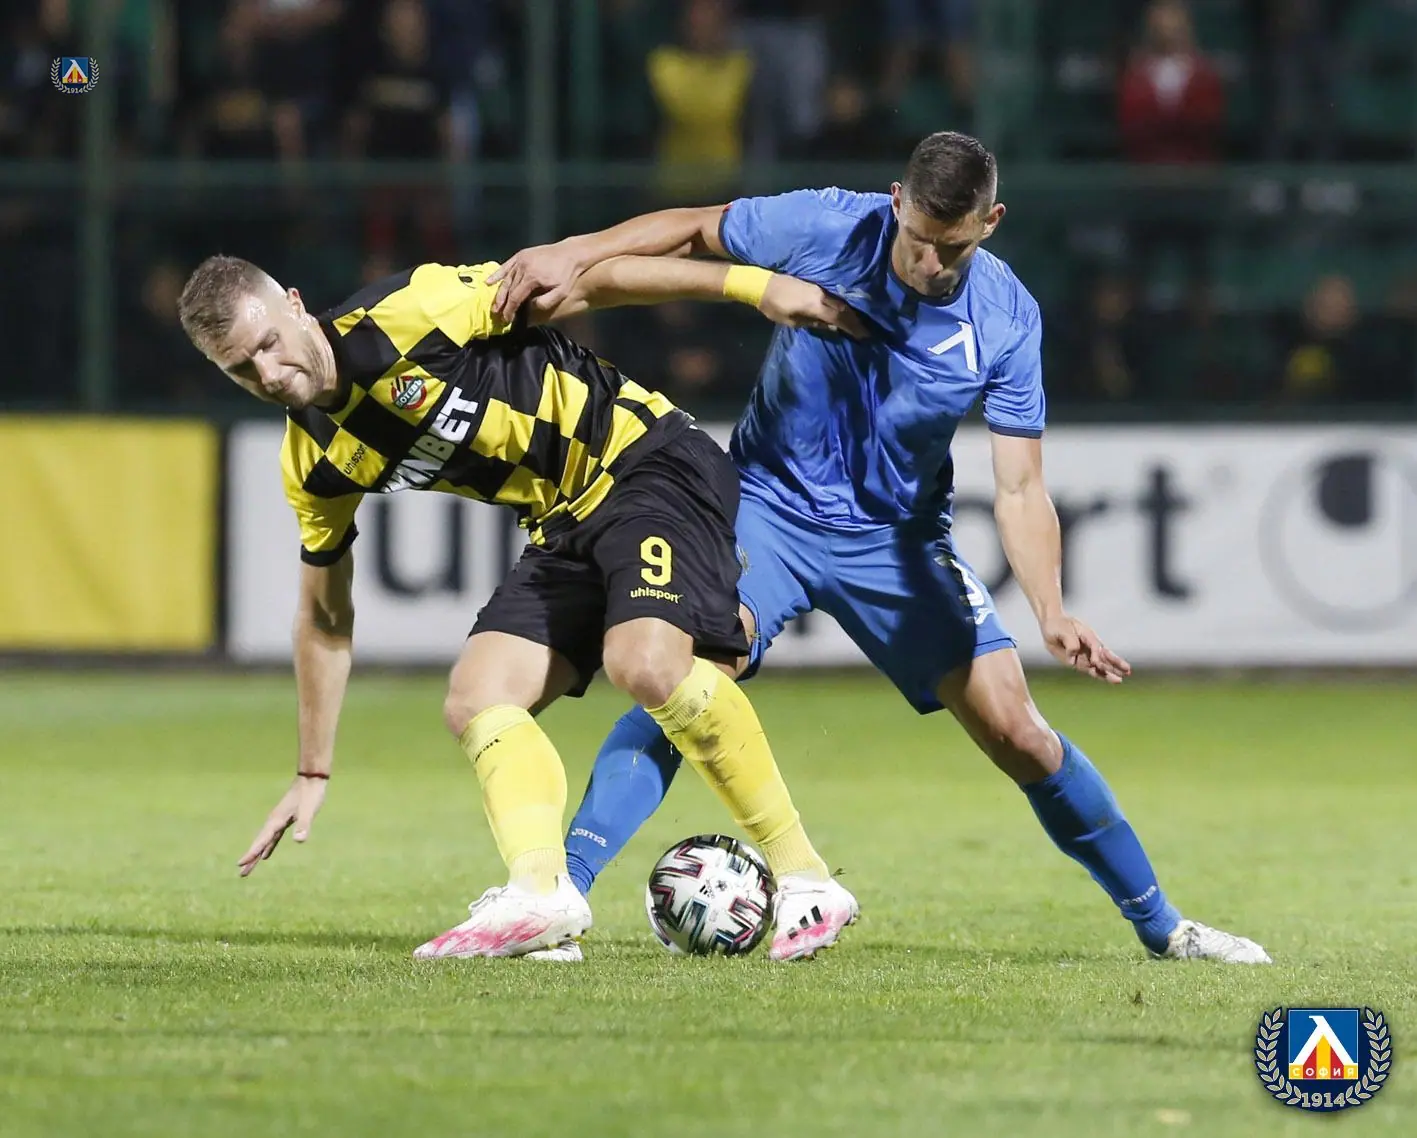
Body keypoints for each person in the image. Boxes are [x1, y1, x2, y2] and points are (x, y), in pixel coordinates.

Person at [489, 130, 1272, 964]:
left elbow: (1018, 487)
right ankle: (557, 895)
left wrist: (1050, 610)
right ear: (897, 203)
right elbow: (693, 228)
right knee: (687, 678)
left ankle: (1165, 928)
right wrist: (573, 251)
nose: (929, 264)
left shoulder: (1005, 318)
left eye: (952, 247)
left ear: (990, 223)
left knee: (1018, 731)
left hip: (898, 542)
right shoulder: (829, 227)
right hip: (767, 510)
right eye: (918, 240)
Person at [176, 250, 866, 962]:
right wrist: (311, 770)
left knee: (645, 664)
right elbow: (324, 619)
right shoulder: (314, 461)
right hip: (560, 521)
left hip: (645, 461)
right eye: (240, 369)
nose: (268, 373)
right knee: (476, 698)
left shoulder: (413, 312)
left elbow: (589, 281)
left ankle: (807, 880)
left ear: (294, 304)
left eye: (268, 344)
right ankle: (542, 895)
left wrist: (755, 287)